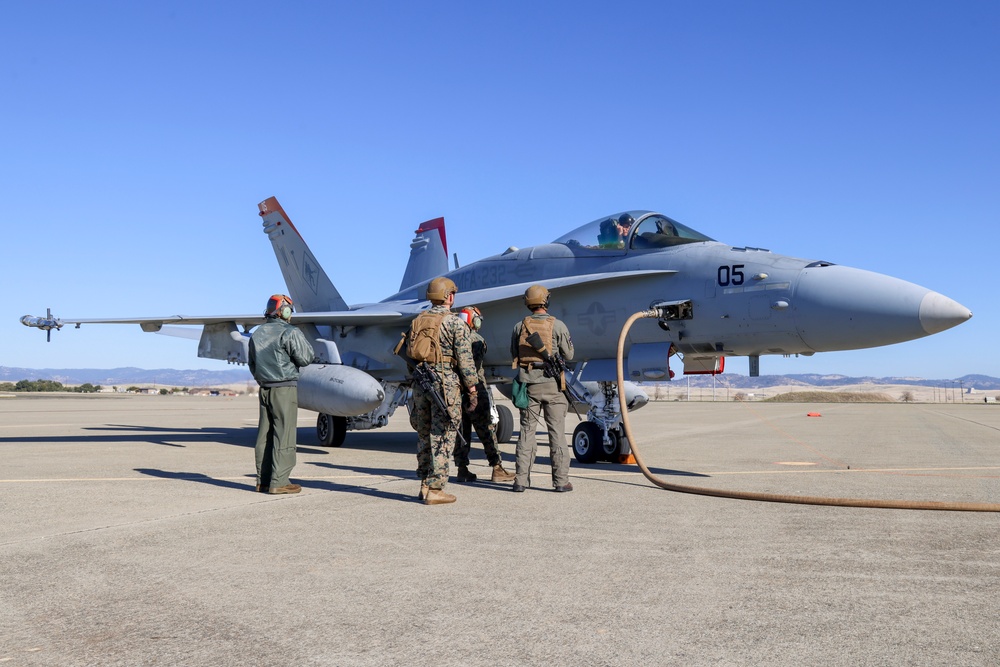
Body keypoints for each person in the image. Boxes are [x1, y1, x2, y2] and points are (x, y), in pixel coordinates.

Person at [406, 277, 479, 505]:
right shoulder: (455, 323)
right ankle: (436, 489)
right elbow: (465, 361)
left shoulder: (418, 321)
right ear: (449, 296)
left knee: (424, 432)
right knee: (443, 435)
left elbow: (409, 354)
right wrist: (472, 389)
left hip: (421, 382)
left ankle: (424, 485)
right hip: (445, 383)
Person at [510, 285, 575, 492]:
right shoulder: (558, 326)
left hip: (528, 386)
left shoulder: (519, 327)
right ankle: (560, 482)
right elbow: (570, 355)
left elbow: (514, 353)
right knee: (556, 433)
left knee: (527, 432)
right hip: (553, 385)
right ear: (546, 301)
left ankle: (520, 481)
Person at [248, 294, 315, 495]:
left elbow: (252, 364)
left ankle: (264, 481)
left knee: (264, 435)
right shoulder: (289, 332)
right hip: (284, 388)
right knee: (284, 434)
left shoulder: (257, 333)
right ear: (284, 311)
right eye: (289, 310)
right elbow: (305, 358)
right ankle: (280, 481)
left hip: (264, 388)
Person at [453, 306, 516, 484]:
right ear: (474, 320)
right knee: (486, 430)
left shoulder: (452, 337)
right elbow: (473, 366)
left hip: (456, 391)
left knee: (461, 431)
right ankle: (497, 468)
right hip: (475, 389)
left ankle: (462, 469)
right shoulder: (476, 339)